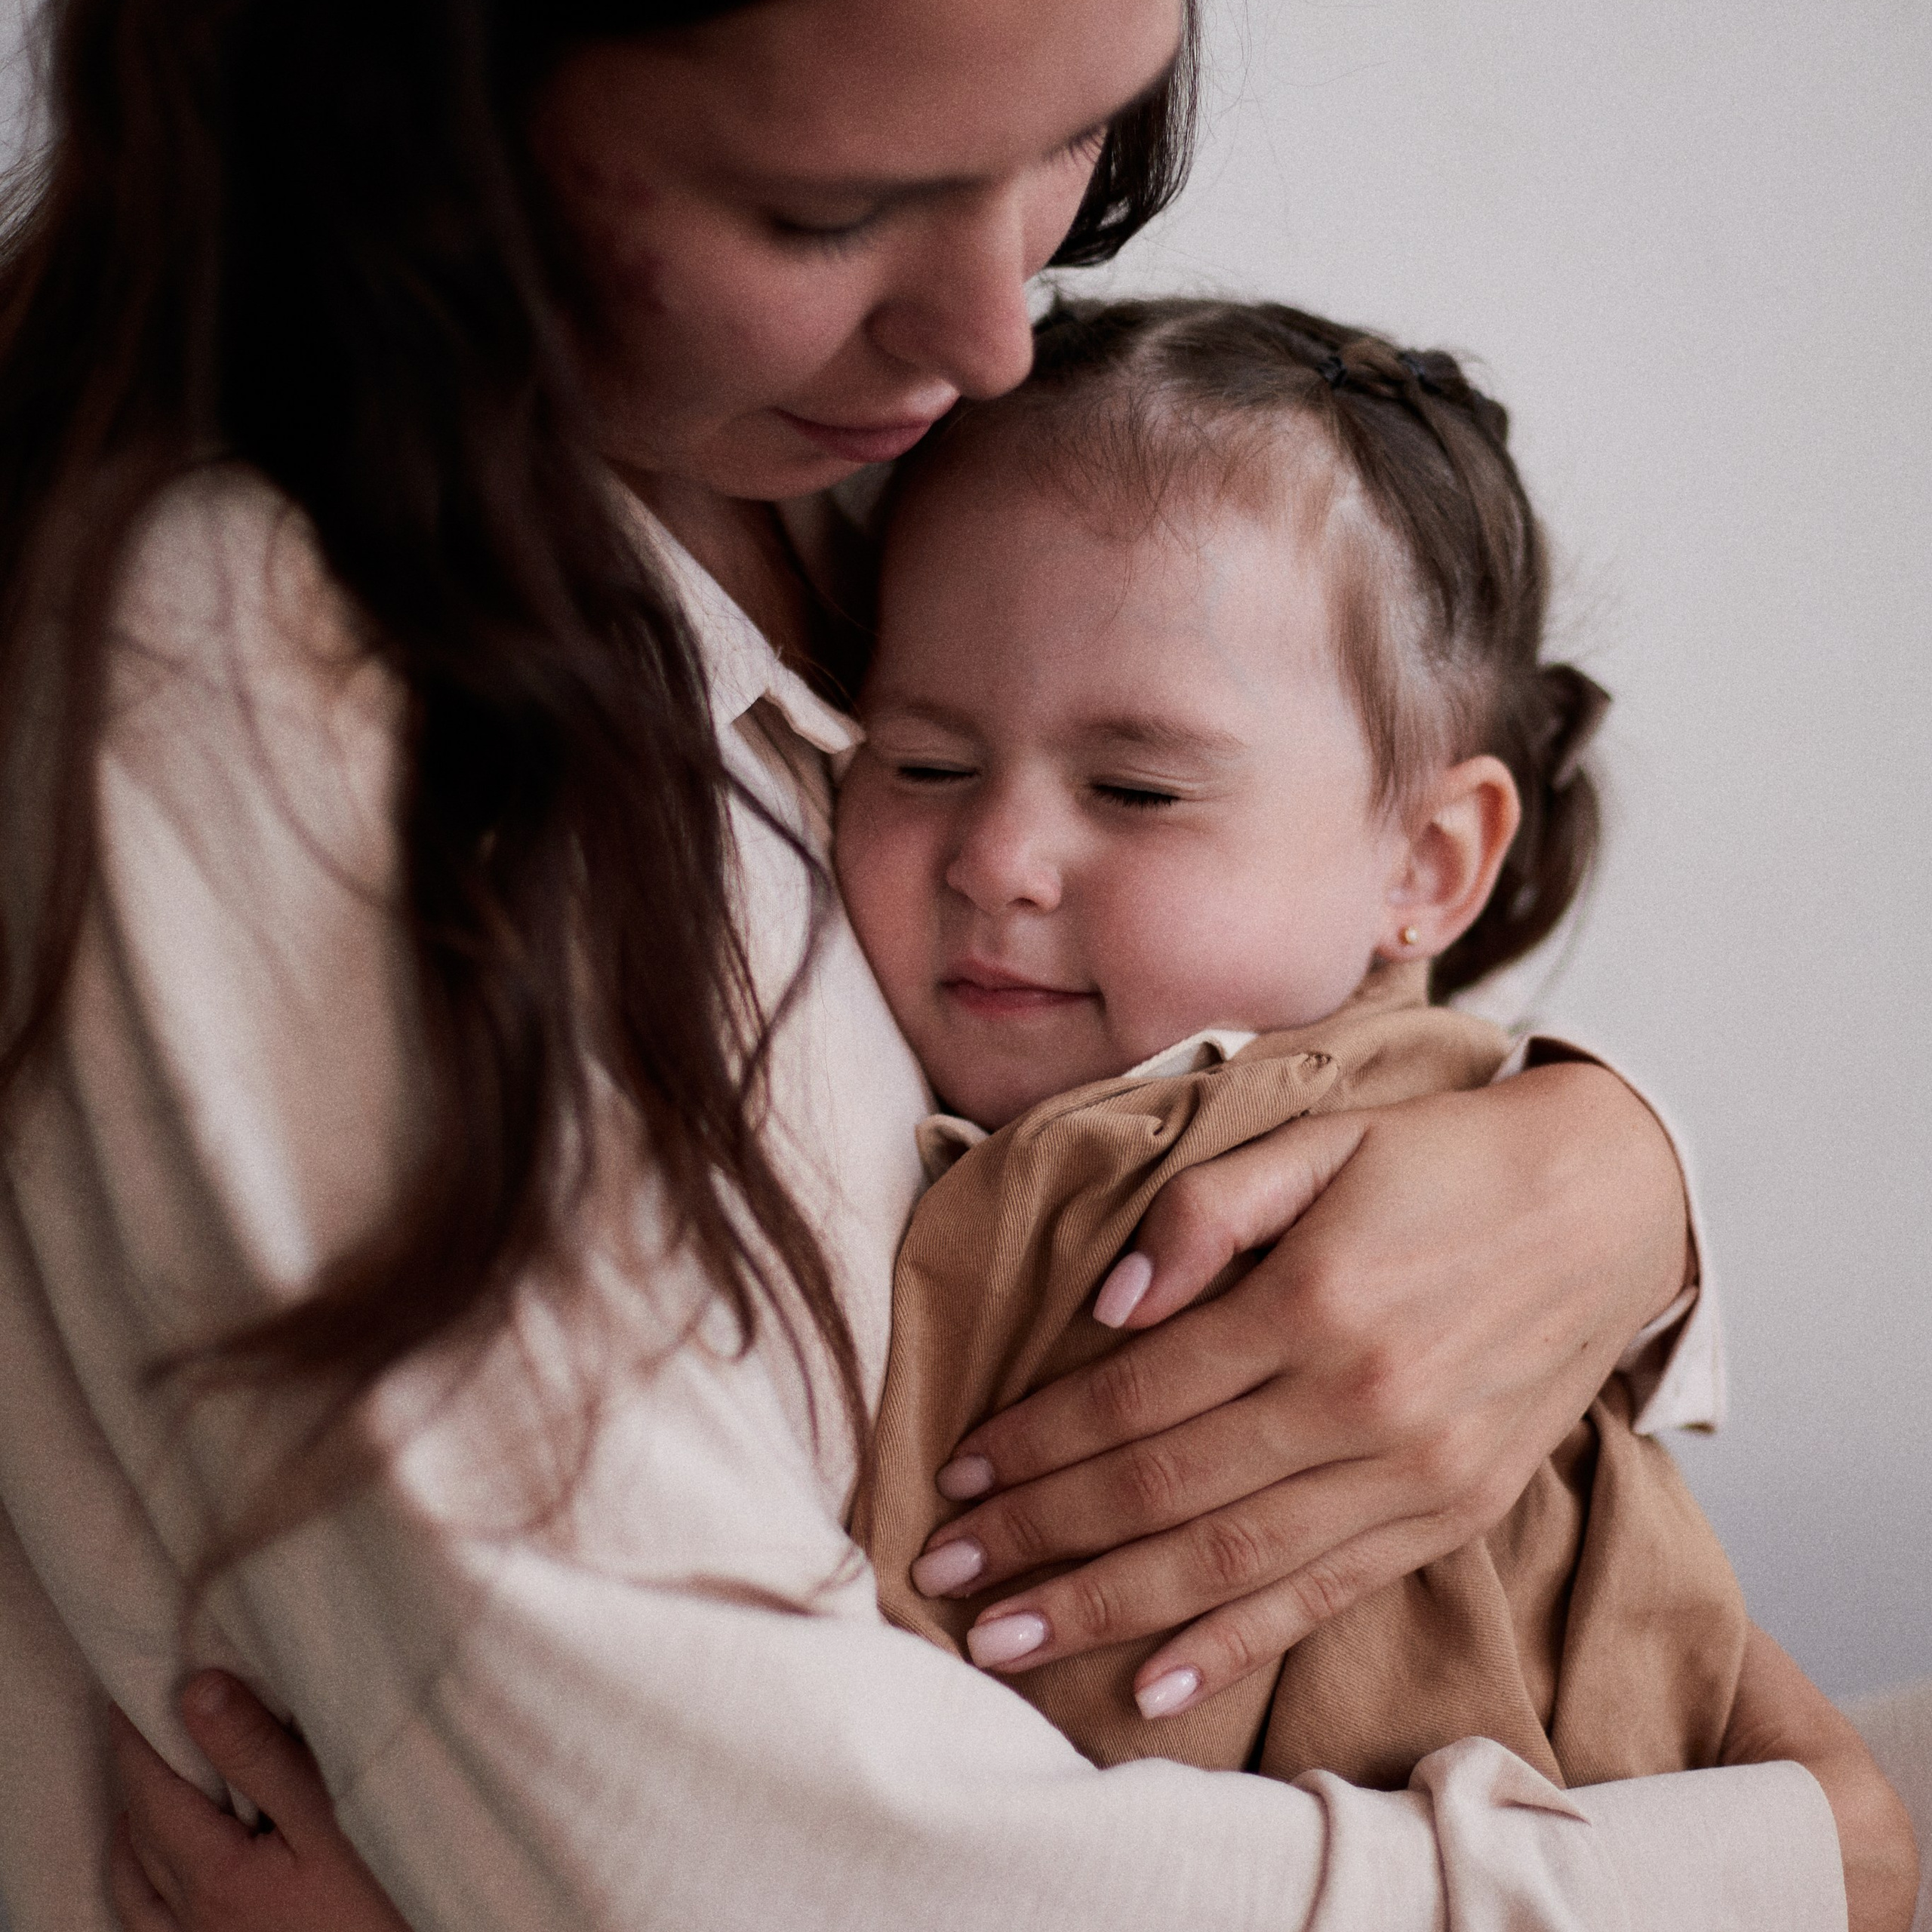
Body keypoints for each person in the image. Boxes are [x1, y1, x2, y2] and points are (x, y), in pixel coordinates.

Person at [0, 2, 1911, 1929]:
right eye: (826, 210)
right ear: (409, 124)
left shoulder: (881, 479)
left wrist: (1618, 1176)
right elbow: (739, 1849)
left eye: (1074, 136)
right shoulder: (264, 663)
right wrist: (1777, 1877)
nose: (998, 334)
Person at [843, 295, 1749, 1787]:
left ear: (1427, 862)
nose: (996, 859)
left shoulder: (1171, 1180)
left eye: (1137, 790)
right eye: (923, 760)